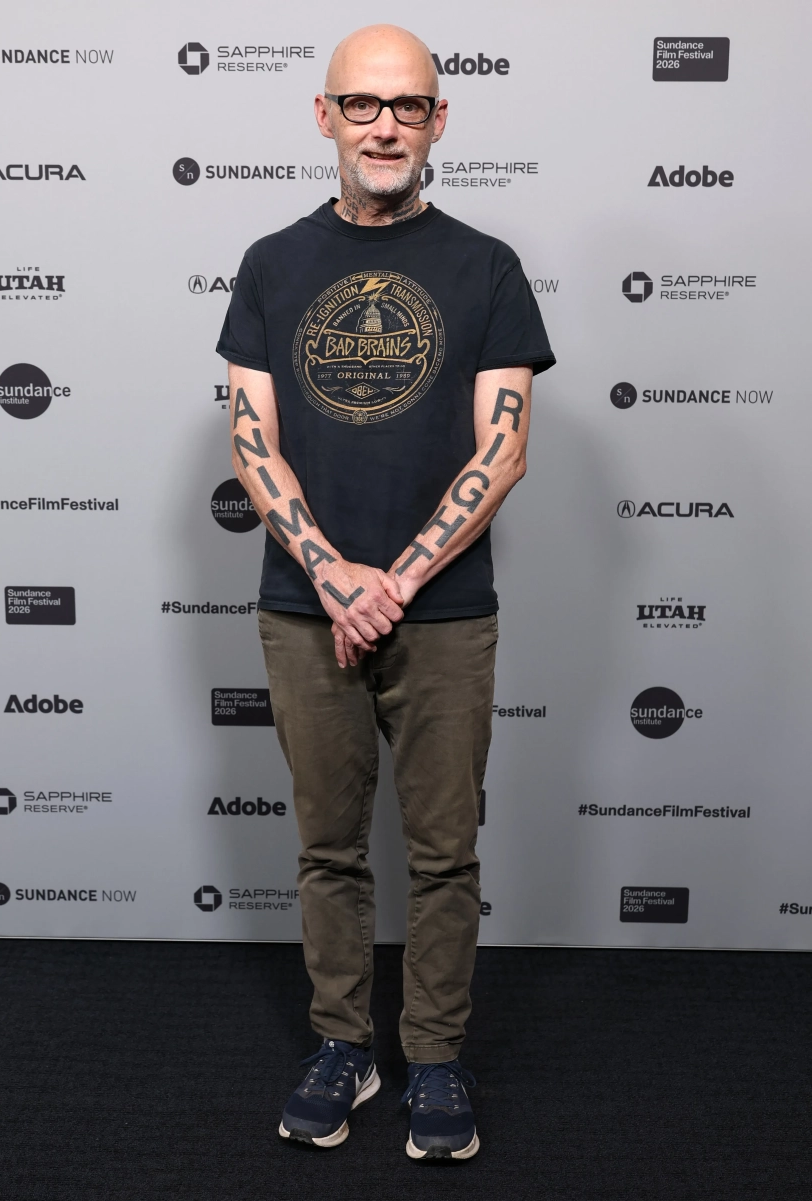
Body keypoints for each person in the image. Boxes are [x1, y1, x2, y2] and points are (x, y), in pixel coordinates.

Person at [216, 23, 555, 1160]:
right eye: (362, 104)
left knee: (445, 851)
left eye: (408, 106)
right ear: (324, 116)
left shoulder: (487, 266)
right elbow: (251, 438)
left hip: (442, 612)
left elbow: (502, 450)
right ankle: (342, 1045)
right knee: (328, 848)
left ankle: (438, 1057)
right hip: (302, 605)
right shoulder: (271, 263)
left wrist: (393, 582)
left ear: (438, 121)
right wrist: (329, 570)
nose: (384, 127)